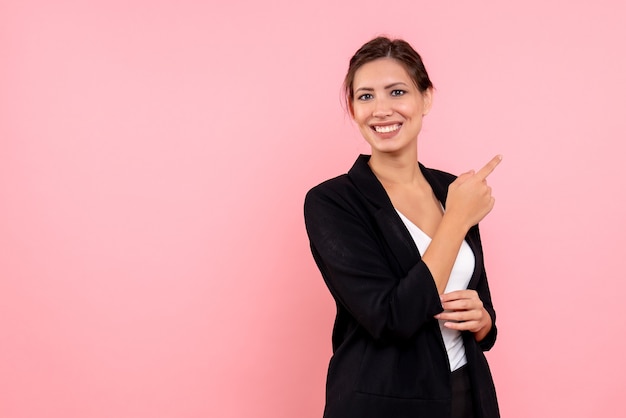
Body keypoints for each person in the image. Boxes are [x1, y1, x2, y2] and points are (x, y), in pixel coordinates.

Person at [304, 37, 501, 418]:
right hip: (382, 402)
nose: (381, 110)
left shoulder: (451, 189)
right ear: (352, 108)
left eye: (397, 92)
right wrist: (457, 219)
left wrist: (483, 320)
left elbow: (482, 307)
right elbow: (391, 318)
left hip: (467, 393)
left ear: (426, 98)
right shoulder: (333, 202)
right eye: (365, 97)